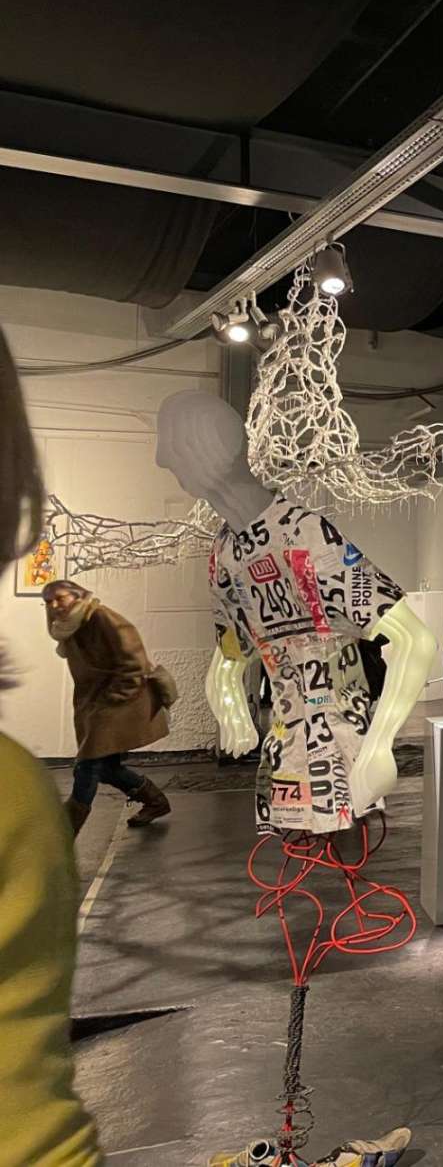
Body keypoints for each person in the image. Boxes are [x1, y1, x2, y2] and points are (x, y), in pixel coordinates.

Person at [0, 327, 104, 1164]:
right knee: (96, 777)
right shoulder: (9, 794)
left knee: (95, 777)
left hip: (113, 715)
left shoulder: (11, 796)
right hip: (97, 716)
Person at [43, 580, 172, 836]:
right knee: (107, 768)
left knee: (87, 766)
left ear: (78, 596)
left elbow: (134, 663)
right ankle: (155, 801)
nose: (55, 605)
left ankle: (63, 834)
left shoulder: (102, 618)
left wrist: (111, 700)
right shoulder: (70, 627)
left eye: (61, 598)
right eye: (49, 601)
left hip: (118, 705)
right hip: (97, 705)